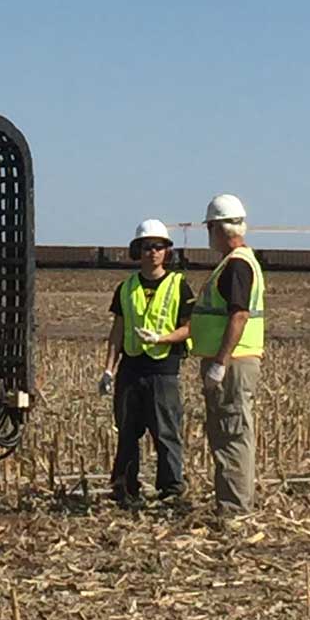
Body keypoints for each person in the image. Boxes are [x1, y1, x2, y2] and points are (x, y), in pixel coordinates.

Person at [99, 219, 195, 507]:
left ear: (167, 252)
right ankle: (125, 487)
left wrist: (162, 338)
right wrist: (108, 369)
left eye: (158, 247)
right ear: (136, 251)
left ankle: (171, 489)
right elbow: (117, 330)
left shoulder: (180, 286)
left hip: (163, 369)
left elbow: (190, 327)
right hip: (131, 368)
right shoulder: (126, 288)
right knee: (127, 432)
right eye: (146, 247)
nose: (152, 252)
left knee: (166, 431)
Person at [189, 193, 266, 519]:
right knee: (228, 432)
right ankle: (231, 505)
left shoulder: (236, 265)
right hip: (235, 360)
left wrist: (220, 362)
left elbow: (238, 315)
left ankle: (234, 510)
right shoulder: (238, 262)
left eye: (210, 227)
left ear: (218, 228)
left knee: (232, 434)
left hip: (233, 364)